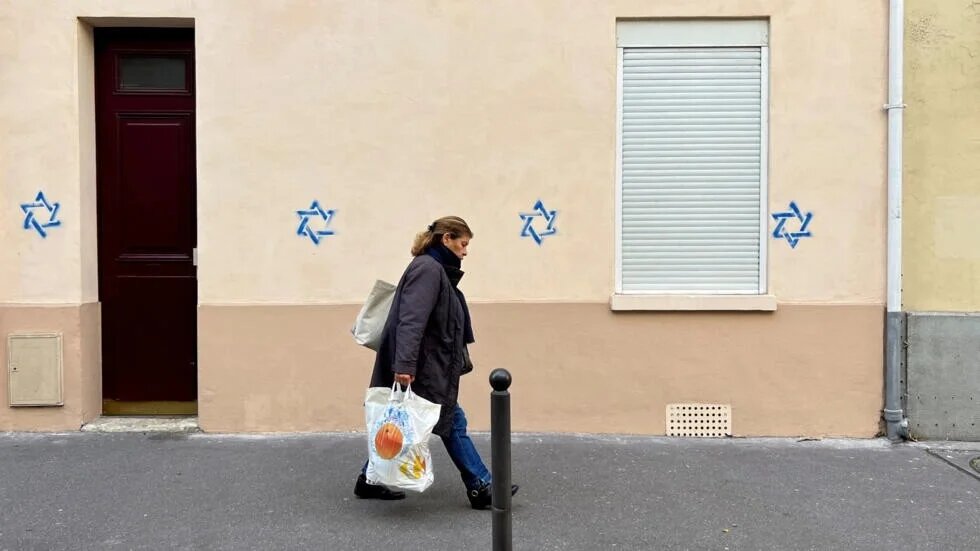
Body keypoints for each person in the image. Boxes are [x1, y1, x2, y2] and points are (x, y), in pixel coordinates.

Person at [354, 216, 518, 509]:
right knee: (451, 421)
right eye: (463, 244)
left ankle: (369, 478)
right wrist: (404, 366)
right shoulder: (428, 270)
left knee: (405, 421)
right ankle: (481, 485)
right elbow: (411, 321)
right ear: (447, 239)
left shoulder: (433, 269)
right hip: (422, 367)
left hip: (425, 364)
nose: (465, 252)